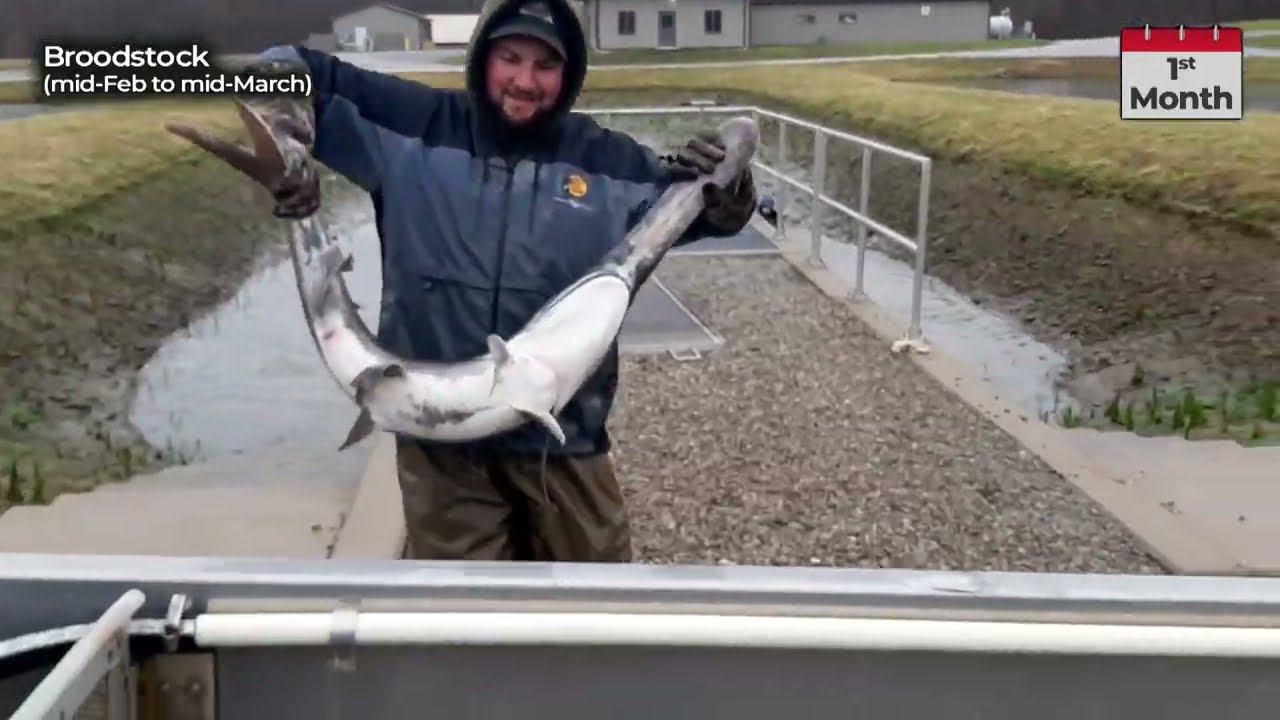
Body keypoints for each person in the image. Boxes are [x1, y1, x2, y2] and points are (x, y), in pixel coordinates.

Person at [187, 0, 757, 562]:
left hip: (565, 440)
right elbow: (285, 66)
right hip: (441, 446)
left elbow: (701, 213)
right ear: (482, 54)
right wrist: (289, 143)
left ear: (571, 74)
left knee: (593, 612)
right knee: (463, 614)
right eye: (510, 57)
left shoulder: (610, 160)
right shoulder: (412, 124)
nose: (525, 81)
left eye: (546, 66)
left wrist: (730, 191)